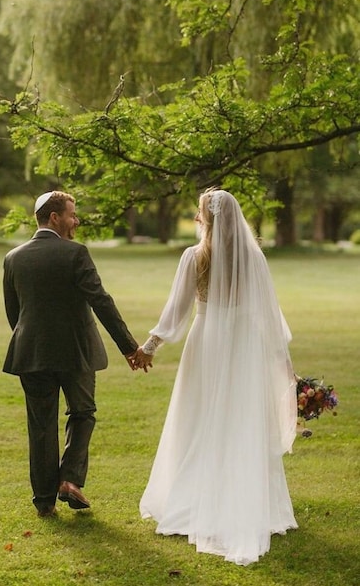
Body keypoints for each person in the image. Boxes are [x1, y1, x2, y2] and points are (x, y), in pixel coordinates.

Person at [134, 188, 297, 566]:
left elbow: (175, 314)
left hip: (207, 341)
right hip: (244, 344)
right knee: (241, 420)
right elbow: (270, 316)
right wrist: (280, 362)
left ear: (208, 218)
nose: (195, 218)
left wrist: (148, 348)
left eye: (198, 212)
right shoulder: (253, 258)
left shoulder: (195, 257)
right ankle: (245, 502)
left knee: (200, 417)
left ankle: (194, 499)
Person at [2, 190, 141, 517]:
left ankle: (44, 501)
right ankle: (71, 481)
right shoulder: (76, 254)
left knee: (40, 426)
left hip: (31, 353)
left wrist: (32, 340)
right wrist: (129, 347)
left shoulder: (13, 258)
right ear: (54, 218)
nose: (76, 220)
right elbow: (101, 301)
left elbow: (15, 314)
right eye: (72, 214)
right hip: (76, 353)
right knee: (82, 413)